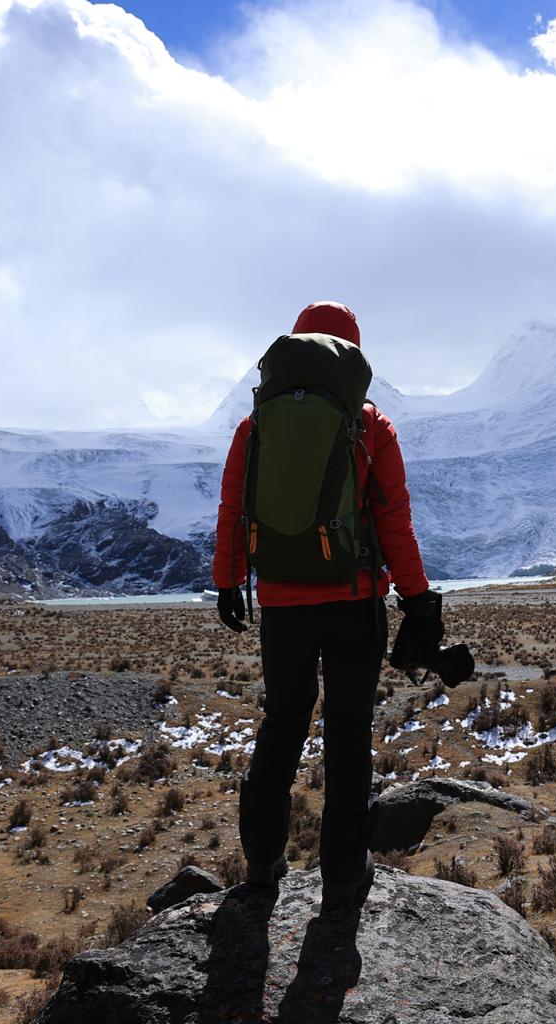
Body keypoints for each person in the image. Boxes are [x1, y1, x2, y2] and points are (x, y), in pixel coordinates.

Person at [212, 300, 437, 911]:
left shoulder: (255, 425)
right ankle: (342, 876)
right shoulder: (371, 425)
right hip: (353, 602)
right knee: (346, 734)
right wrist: (419, 601)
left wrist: (229, 583)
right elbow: (395, 524)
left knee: (282, 724)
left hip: (281, 604)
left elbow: (233, 511)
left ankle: (262, 866)